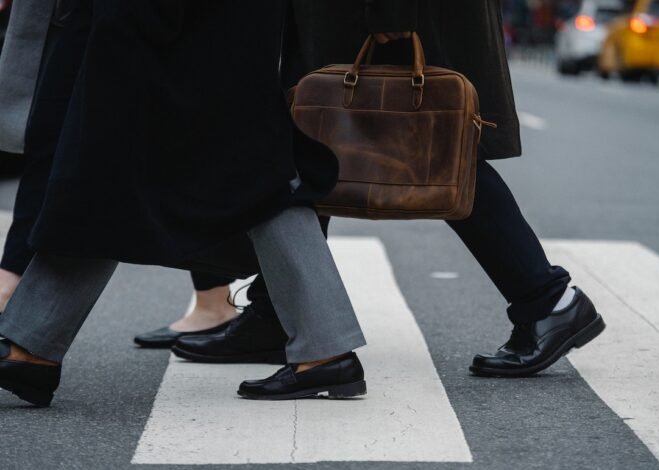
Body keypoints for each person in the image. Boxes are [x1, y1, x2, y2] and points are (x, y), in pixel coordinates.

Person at [170, 0, 606, 378]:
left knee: (439, 147)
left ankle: (548, 300)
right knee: (311, 140)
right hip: (363, 15)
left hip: (386, 17)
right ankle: (279, 314)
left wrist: (393, 9)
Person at [0, 0, 367, 407]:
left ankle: (32, 349)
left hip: (174, 24)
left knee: (241, 174)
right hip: (203, 25)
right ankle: (32, 348)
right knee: (236, 171)